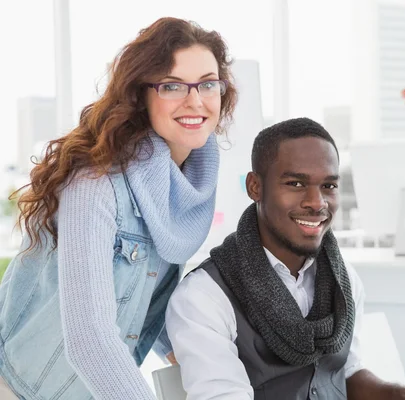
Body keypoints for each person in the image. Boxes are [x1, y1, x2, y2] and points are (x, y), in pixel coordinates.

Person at [0, 17, 237, 399]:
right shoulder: (95, 183)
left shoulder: (182, 188)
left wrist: (197, 356)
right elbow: (90, 340)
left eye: (208, 83)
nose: (195, 100)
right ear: (141, 95)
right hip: (17, 388)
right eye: (172, 86)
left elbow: (142, 290)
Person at [166, 118, 405, 400]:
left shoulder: (343, 280)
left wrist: (404, 394)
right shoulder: (204, 296)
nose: (317, 202)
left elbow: (342, 373)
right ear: (255, 187)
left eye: (328, 186)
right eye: (296, 183)